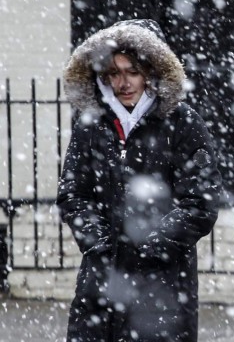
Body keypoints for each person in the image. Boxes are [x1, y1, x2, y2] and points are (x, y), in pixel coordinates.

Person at [57, 19, 221, 342]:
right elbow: (72, 194)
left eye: (132, 71)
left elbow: (202, 201)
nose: (123, 82)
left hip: (163, 288)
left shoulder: (183, 123)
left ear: (151, 71)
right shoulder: (91, 125)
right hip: (100, 286)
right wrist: (100, 243)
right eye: (114, 72)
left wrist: (151, 244)